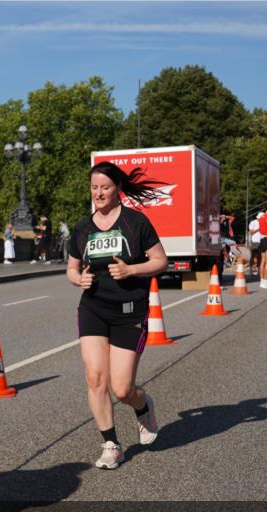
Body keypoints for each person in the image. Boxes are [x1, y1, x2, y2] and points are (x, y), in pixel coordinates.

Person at [67, 162, 168, 470]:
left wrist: (130, 270)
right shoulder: (83, 228)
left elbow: (161, 261)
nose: (99, 193)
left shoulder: (136, 223)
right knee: (95, 377)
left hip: (129, 310)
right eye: (94, 187)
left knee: (122, 388)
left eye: (105, 187)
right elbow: (71, 268)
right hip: (93, 308)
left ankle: (143, 405)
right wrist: (77, 280)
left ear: (118, 189)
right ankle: (111, 444)